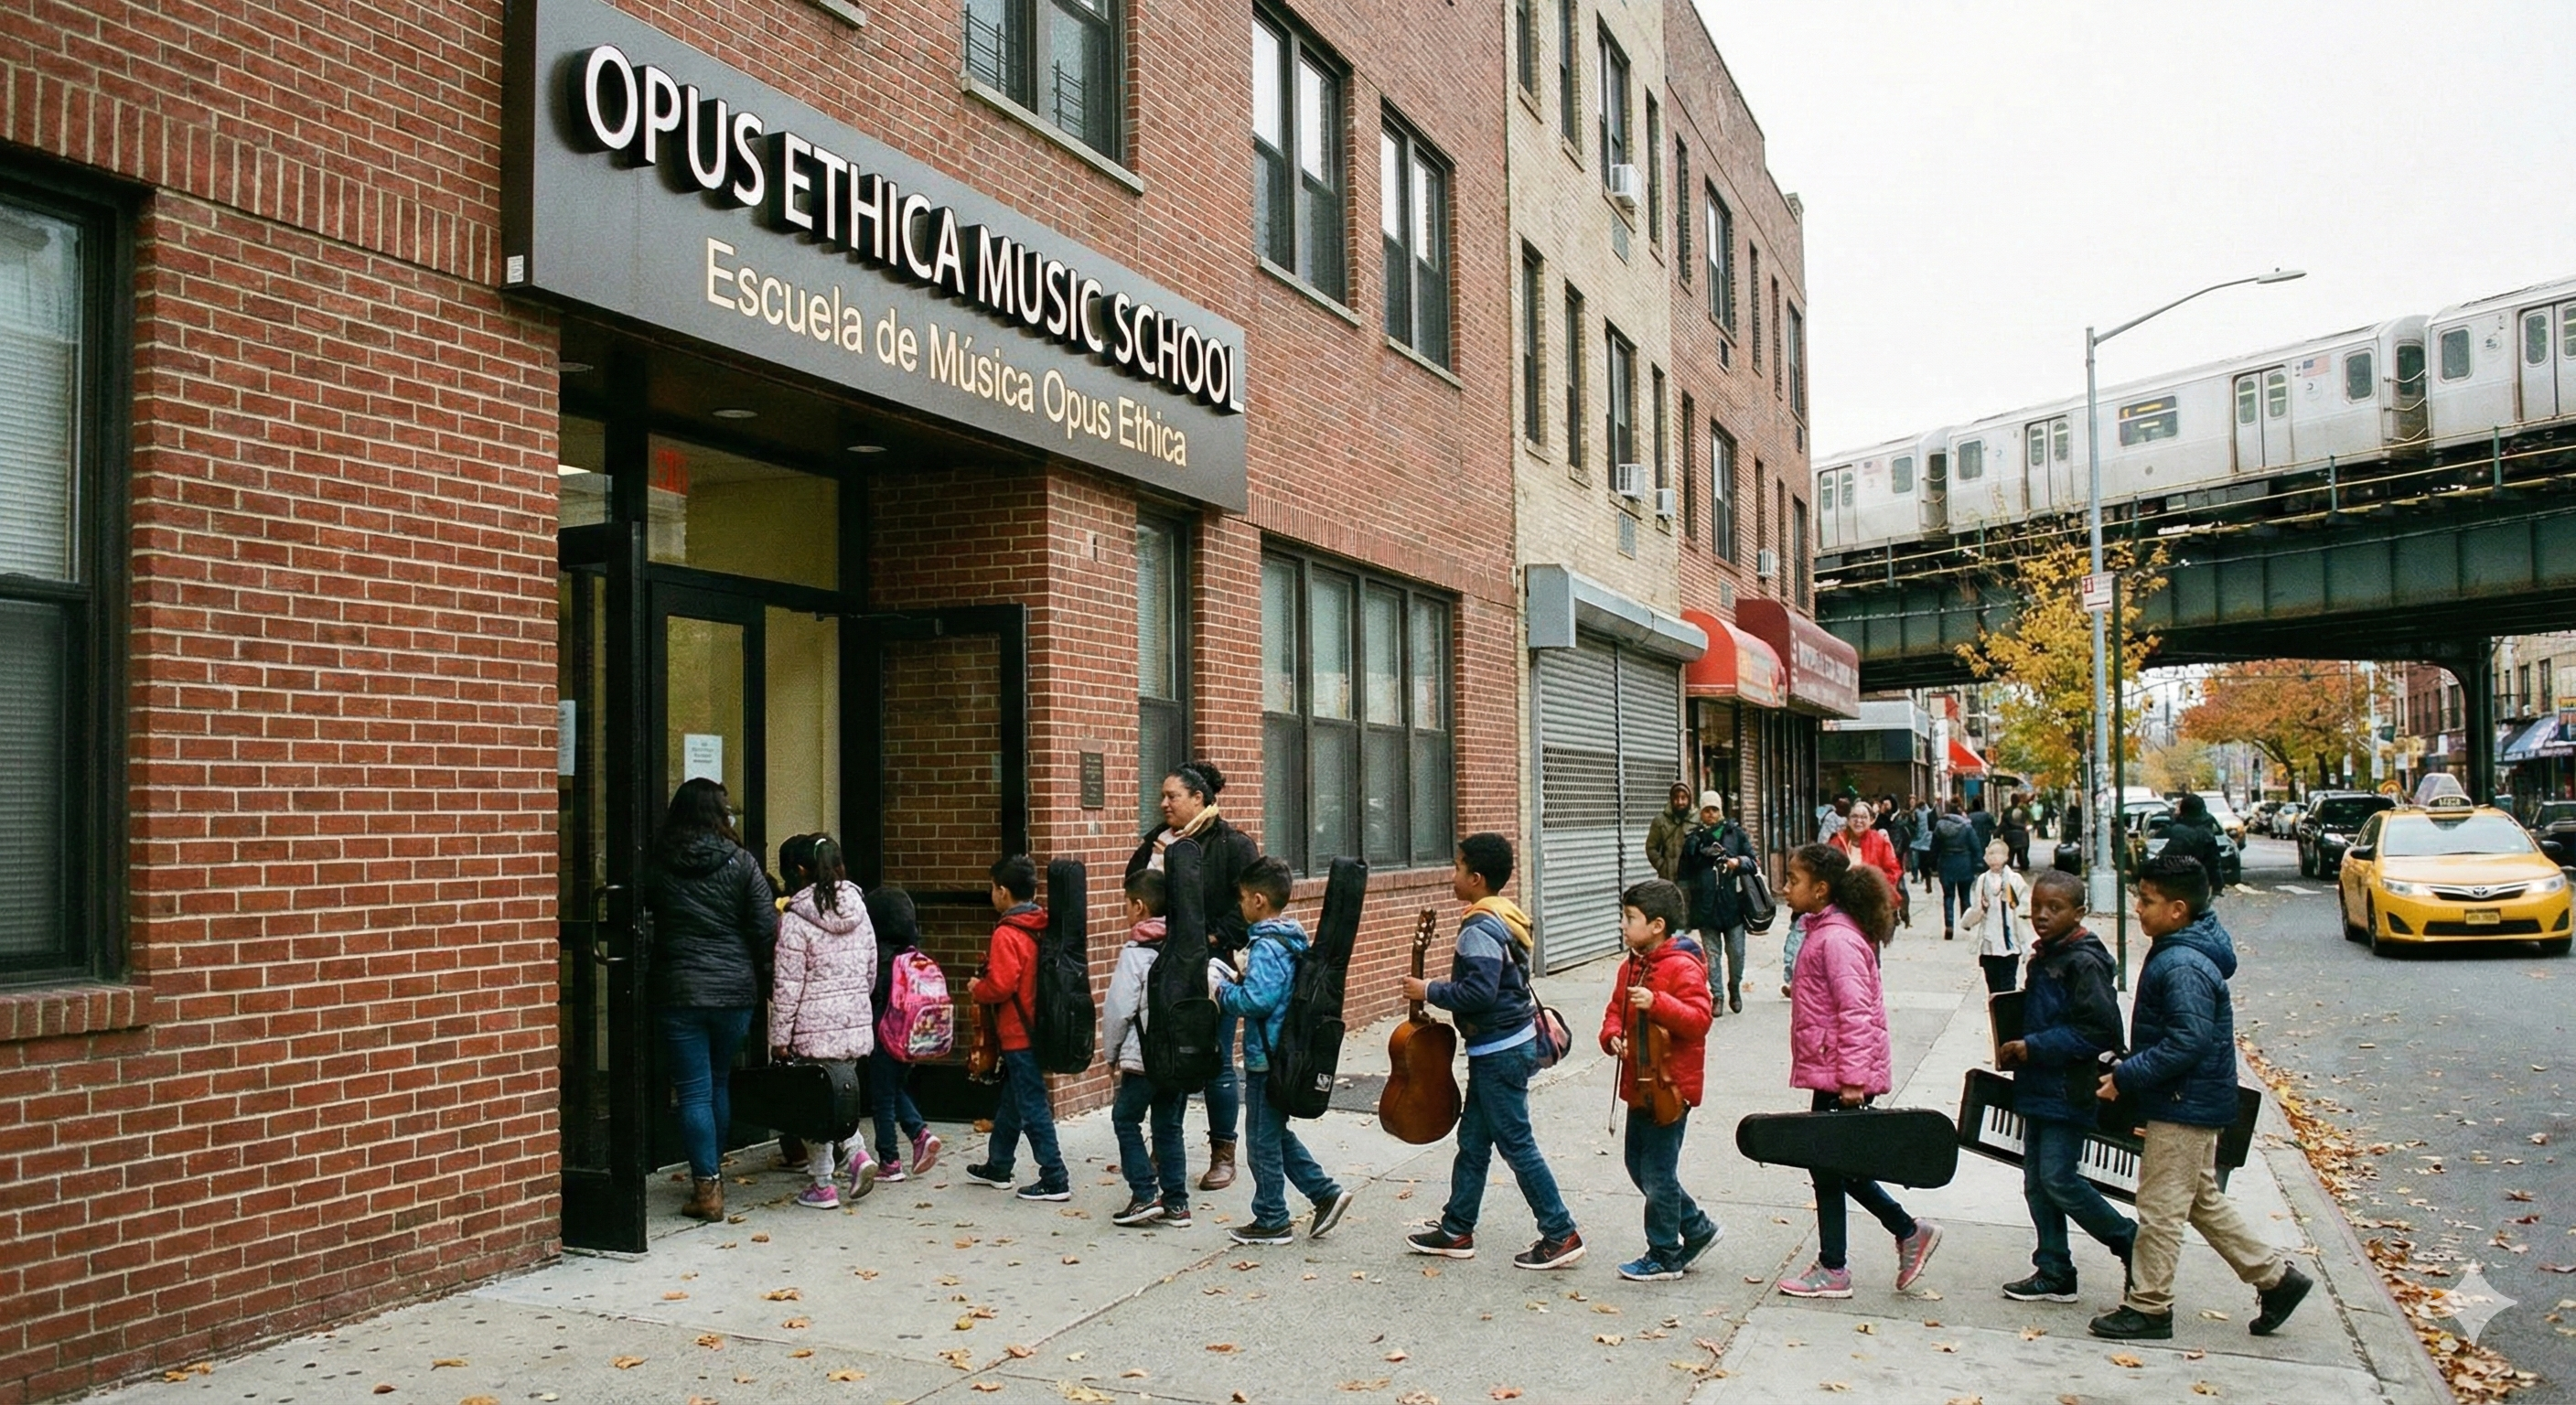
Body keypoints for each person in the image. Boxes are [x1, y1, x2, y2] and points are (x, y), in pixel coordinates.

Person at [2089, 854, 2312, 1342]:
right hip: (2187, 1098)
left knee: (2161, 1206)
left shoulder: (2182, 963)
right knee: (2199, 1199)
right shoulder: (2182, 947)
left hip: (2181, 1101)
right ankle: (2277, 1280)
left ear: (2178, 909)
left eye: (2147, 901)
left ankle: (2149, 1307)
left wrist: (2127, 1077)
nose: (2138, 908)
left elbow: (2186, 1042)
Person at [1403, 833, 1584, 1271]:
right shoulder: (1505, 916)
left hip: (1499, 1050)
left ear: (1476, 877)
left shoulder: (1479, 928)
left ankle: (1560, 1232)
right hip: (1502, 1046)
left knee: (1517, 1145)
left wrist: (1428, 990)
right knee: (1473, 1142)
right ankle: (1456, 1229)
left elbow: (1480, 992)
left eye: (1457, 867)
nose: (1453, 875)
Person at [1774, 843, 1943, 1299]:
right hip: (1831, 1069)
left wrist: (1852, 1078)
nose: (1785, 888)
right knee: (1833, 1165)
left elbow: (1856, 1012)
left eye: (1794, 880)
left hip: (1841, 1075)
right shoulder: (1824, 931)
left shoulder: (1836, 939)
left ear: (1821, 888)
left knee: (1830, 1165)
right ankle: (1905, 1232)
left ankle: (1839, 1265)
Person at [1995, 869, 2134, 1303]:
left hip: (2068, 1090)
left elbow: (2099, 1031)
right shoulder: (2047, 954)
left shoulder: (2083, 961)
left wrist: (2033, 1047)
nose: (2041, 916)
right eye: (2036, 907)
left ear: (2079, 912)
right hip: (2039, 1087)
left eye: (2054, 909)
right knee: (2036, 1182)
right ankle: (2054, 1269)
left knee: (2058, 1178)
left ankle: (2130, 1241)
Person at [643, 778, 778, 1223]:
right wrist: (765, 976)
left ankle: (708, 1187)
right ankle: (713, 1172)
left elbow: (641, 917)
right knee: (717, 1082)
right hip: (733, 991)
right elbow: (764, 927)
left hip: (678, 987)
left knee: (694, 1091)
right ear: (719, 815)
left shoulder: (659, 862)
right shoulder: (742, 863)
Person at [1124, 760, 1260, 1192]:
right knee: (1167, 1056)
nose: (1163, 803)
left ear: (1198, 799)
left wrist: (1215, 938)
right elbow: (1137, 887)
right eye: (1162, 796)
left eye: (1172, 796)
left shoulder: (1233, 844)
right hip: (1159, 967)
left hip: (1209, 966)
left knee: (1215, 1056)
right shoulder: (1156, 842)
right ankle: (1166, 1147)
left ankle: (1223, 1152)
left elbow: (1246, 908)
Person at [1215, 857, 1355, 1245]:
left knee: (1261, 1142)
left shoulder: (1266, 945)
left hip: (1269, 1057)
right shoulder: (1288, 939)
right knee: (1274, 1135)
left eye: (1243, 898)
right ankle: (1325, 1194)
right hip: (1281, 1052)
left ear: (1259, 900)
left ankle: (1272, 1218)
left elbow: (1258, 1000)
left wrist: (1222, 991)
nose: (1241, 905)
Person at [1600, 878, 1723, 1282]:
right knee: (1639, 1166)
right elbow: (1615, 1009)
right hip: (1639, 1083)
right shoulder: (1631, 965)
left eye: (1629, 918)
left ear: (1656, 925)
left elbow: (1699, 1021)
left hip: (1671, 1087)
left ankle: (1666, 1251)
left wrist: (1659, 1003)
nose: (1623, 924)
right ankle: (1698, 1227)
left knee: (1658, 1172)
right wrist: (1612, 1035)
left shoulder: (1682, 967)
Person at [768, 835, 878, 1209]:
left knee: (814, 1103)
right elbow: (870, 970)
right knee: (841, 1098)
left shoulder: (795, 921)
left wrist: (779, 1037)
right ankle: (858, 1153)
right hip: (853, 1021)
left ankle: (822, 1185)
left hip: (812, 1028)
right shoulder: (859, 910)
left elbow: (787, 986)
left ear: (800, 871)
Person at [964, 854, 1069, 1201]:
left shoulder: (1007, 932)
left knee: (1031, 1103)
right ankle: (998, 1164)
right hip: (1038, 1026)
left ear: (1003, 891)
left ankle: (1054, 1175)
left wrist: (976, 988)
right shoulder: (1041, 924)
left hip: (1017, 1031)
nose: (992, 894)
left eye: (993, 888)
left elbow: (1001, 985)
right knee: (1014, 1098)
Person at [1102, 868, 1199, 1228]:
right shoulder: (1185, 946)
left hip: (1143, 1058)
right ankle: (1176, 1203)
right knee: (1169, 1127)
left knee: (1125, 1119)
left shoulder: (1136, 953)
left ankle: (1144, 1193)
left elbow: (1118, 1009)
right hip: (1178, 1058)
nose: (1125, 910)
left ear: (1139, 907)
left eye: (1127, 905)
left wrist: (1111, 1053)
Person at [862, 886, 939, 1183]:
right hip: (911, 1039)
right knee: (894, 1089)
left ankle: (889, 1160)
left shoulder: (881, 958)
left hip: (885, 1037)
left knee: (881, 1098)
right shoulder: (913, 956)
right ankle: (919, 1133)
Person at [1676, 791, 1755, 1015]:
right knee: (1712, 955)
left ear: (1720, 811)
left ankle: (1735, 988)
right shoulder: (1693, 838)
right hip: (1706, 907)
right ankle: (1717, 995)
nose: (1710, 814)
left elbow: (1752, 861)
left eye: (1714, 809)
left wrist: (1736, 862)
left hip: (1734, 906)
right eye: (1706, 810)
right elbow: (1684, 874)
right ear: (1700, 812)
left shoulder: (1735, 833)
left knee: (1736, 953)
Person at [1959, 840, 2033, 994]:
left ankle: (2005, 1016)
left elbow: (2023, 910)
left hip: (2010, 942)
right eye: (1989, 854)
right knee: (1993, 986)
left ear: (2006, 857)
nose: (1993, 858)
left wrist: (2027, 943)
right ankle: (1995, 1015)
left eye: (1997, 854)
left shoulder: (2015, 880)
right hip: (1990, 941)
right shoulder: (1983, 880)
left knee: (2007, 986)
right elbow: (1977, 909)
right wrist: (1967, 922)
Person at [2161, 794, 2227, 901]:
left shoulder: (2177, 830)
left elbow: (2166, 858)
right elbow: (2213, 861)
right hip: (2200, 882)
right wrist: (2218, 885)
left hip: (2177, 882)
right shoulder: (2206, 832)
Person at [1831, 802, 1905, 896]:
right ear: (1848, 820)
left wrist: (1874, 884)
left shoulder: (1879, 841)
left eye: (1864, 817)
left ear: (1872, 820)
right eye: (1854, 816)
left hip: (1873, 897)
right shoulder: (1837, 841)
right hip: (1843, 897)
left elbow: (1893, 871)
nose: (1859, 820)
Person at [1933, 800, 1981, 940]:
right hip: (1964, 863)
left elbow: (1934, 847)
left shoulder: (1939, 827)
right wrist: (1978, 862)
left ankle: (1949, 925)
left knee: (1948, 896)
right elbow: (1975, 846)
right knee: (1965, 895)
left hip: (1946, 863)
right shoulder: (1967, 827)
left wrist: (1930, 864)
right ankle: (1966, 922)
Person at [1647, 782, 1695, 883]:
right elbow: (1651, 848)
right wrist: (1662, 866)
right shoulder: (1661, 820)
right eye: (1676, 798)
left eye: (1683, 798)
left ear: (1689, 799)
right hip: (1668, 879)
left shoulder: (1697, 820)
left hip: (1691, 880)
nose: (1680, 802)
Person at [1909, 796, 1937, 892]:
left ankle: (1924, 879)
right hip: (1927, 841)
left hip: (1920, 841)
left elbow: (1913, 825)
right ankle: (1926, 880)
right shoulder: (1930, 812)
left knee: (1920, 863)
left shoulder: (1917, 813)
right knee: (1925, 864)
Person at [2001, 794, 2034, 872]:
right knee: (2023, 854)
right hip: (2021, 835)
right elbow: (2029, 820)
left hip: (2010, 836)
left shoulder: (2007, 811)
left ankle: (2012, 865)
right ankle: (2023, 863)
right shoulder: (2024, 810)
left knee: (2010, 855)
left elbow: (2003, 823)